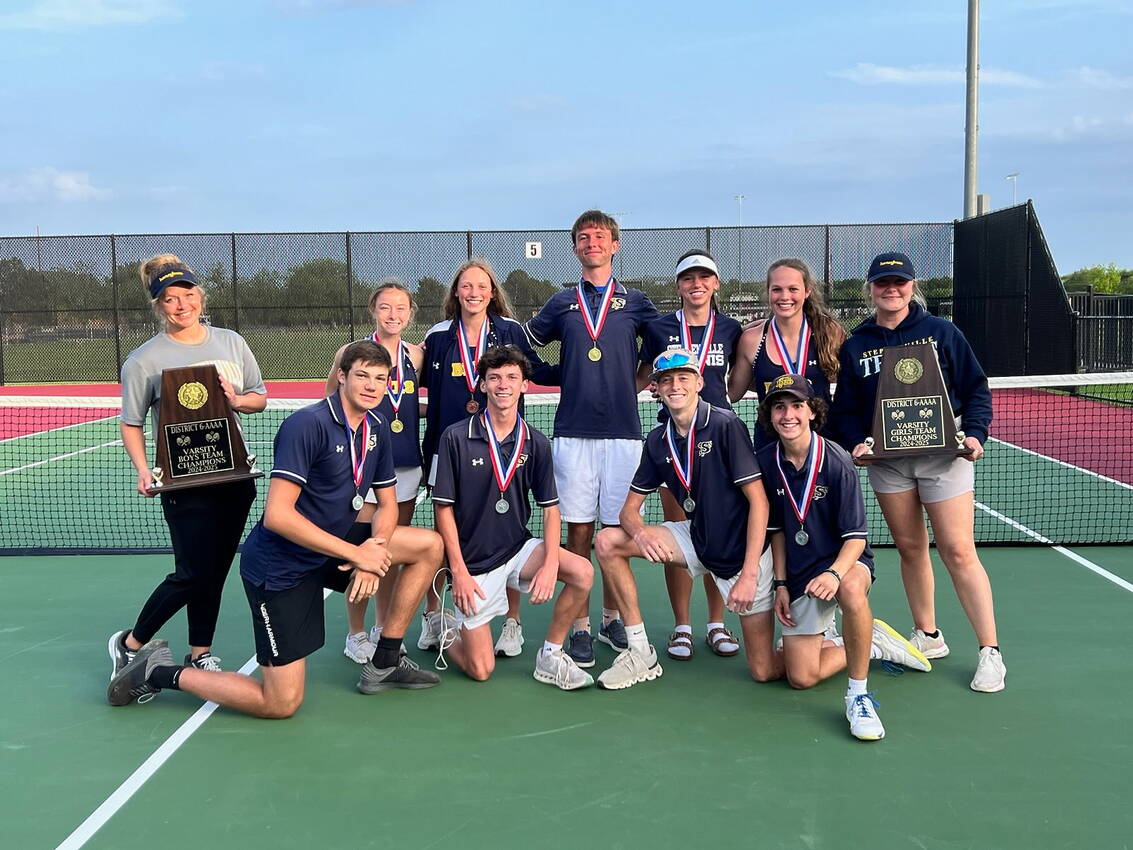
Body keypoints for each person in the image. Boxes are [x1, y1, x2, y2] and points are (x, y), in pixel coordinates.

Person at [107, 341, 446, 716]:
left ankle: (385, 660)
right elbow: (278, 516)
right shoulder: (306, 425)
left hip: (332, 549)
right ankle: (155, 671)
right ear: (342, 376)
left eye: (380, 379)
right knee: (280, 702)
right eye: (362, 375)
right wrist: (357, 554)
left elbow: (387, 504)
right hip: (282, 566)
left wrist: (376, 549)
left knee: (429, 545)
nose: (371, 386)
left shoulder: (376, 428)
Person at [829, 251, 1006, 693]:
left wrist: (976, 434)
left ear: (912, 286)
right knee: (910, 548)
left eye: (900, 282)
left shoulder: (942, 332)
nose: (892, 290)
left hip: (943, 457)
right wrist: (855, 443)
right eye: (883, 283)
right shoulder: (856, 344)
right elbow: (844, 409)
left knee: (958, 550)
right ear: (870, 289)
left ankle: (990, 651)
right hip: (888, 462)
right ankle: (928, 634)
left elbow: (975, 389)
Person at [109, 254, 267, 685]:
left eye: (188, 294)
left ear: (201, 296)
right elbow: (131, 422)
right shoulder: (143, 360)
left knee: (214, 571)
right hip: (183, 484)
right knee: (192, 572)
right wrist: (144, 470)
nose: (182, 305)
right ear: (158, 306)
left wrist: (237, 399)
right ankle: (131, 644)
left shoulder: (232, 343)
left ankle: (200, 652)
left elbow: (259, 397)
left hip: (234, 479)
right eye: (170, 299)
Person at [756, 374, 931, 741]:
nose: (788, 415)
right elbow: (777, 533)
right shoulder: (766, 462)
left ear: (812, 411)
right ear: (770, 415)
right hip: (800, 572)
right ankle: (872, 640)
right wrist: (782, 584)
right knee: (800, 677)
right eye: (779, 407)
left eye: (797, 406)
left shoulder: (836, 461)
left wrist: (834, 574)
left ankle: (858, 695)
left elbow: (855, 539)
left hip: (845, 562)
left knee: (851, 591)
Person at [524, 210, 660, 669]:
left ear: (615, 245)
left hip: (624, 435)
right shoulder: (562, 302)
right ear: (575, 247)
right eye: (583, 238)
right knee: (578, 532)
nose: (591, 243)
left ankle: (611, 619)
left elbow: (660, 350)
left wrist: (634, 383)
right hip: (573, 434)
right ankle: (580, 626)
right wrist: (558, 375)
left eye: (599, 237)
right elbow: (527, 347)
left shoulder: (637, 302)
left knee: (617, 534)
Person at [592, 349, 774, 689]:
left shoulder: (725, 424)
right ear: (657, 389)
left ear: (699, 383)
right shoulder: (657, 440)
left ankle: (854, 642)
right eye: (666, 381)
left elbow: (759, 503)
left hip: (742, 555)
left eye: (683, 378)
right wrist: (641, 535)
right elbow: (628, 512)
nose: (675, 386)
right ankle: (640, 651)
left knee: (765, 670)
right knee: (607, 541)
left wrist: (750, 574)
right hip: (697, 537)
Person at [432, 345, 595, 690]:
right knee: (480, 669)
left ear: (524, 385)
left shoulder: (536, 442)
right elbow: (443, 508)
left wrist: (550, 563)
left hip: (518, 549)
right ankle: (445, 629)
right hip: (474, 563)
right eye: (494, 378)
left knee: (582, 572)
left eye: (511, 377)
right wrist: (458, 572)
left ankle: (550, 655)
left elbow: (550, 509)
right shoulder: (455, 437)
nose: (503, 385)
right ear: (482, 385)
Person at [420, 259, 556, 657]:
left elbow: (536, 371)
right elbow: (411, 379)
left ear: (492, 292)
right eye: (466, 286)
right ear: (456, 292)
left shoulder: (510, 330)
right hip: (449, 447)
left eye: (482, 286)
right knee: (445, 535)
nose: (474, 292)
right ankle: (434, 615)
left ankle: (512, 622)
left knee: (510, 530)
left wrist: (585, 371)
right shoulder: (438, 336)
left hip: (505, 449)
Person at [323, 279, 441, 665]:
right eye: (386, 307)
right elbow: (330, 400)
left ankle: (381, 627)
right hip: (363, 463)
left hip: (403, 462)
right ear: (373, 310)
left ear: (410, 314)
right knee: (363, 548)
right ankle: (355, 634)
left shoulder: (416, 356)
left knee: (388, 549)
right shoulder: (351, 353)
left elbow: (407, 401)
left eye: (401, 308)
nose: (393, 314)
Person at [637, 250, 744, 660]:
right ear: (679, 285)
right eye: (688, 278)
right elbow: (644, 375)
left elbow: (736, 384)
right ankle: (682, 626)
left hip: (718, 447)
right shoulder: (659, 328)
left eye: (704, 278)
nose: (696, 285)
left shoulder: (731, 329)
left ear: (715, 283)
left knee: (718, 535)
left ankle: (716, 624)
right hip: (675, 447)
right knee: (677, 534)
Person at [728, 258, 844, 449]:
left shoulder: (830, 332)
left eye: (793, 289)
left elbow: (848, 389)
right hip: (770, 448)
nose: (784, 296)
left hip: (822, 446)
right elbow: (731, 394)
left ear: (807, 291)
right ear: (768, 292)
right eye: (777, 289)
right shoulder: (751, 340)